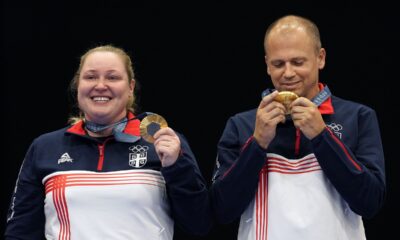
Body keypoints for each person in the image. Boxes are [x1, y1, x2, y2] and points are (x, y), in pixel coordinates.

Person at [5, 45, 212, 239]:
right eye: (91, 77)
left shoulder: (164, 143)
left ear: (130, 87)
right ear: (78, 86)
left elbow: (200, 224)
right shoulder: (45, 147)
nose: (101, 85)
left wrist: (177, 167)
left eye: (112, 77)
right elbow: (20, 232)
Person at [210, 15, 385, 240]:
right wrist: (258, 143)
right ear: (267, 65)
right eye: (278, 64)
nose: (288, 73)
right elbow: (222, 211)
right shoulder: (242, 125)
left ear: (320, 58)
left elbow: (370, 203)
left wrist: (323, 136)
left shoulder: (359, 117)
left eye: (298, 62)